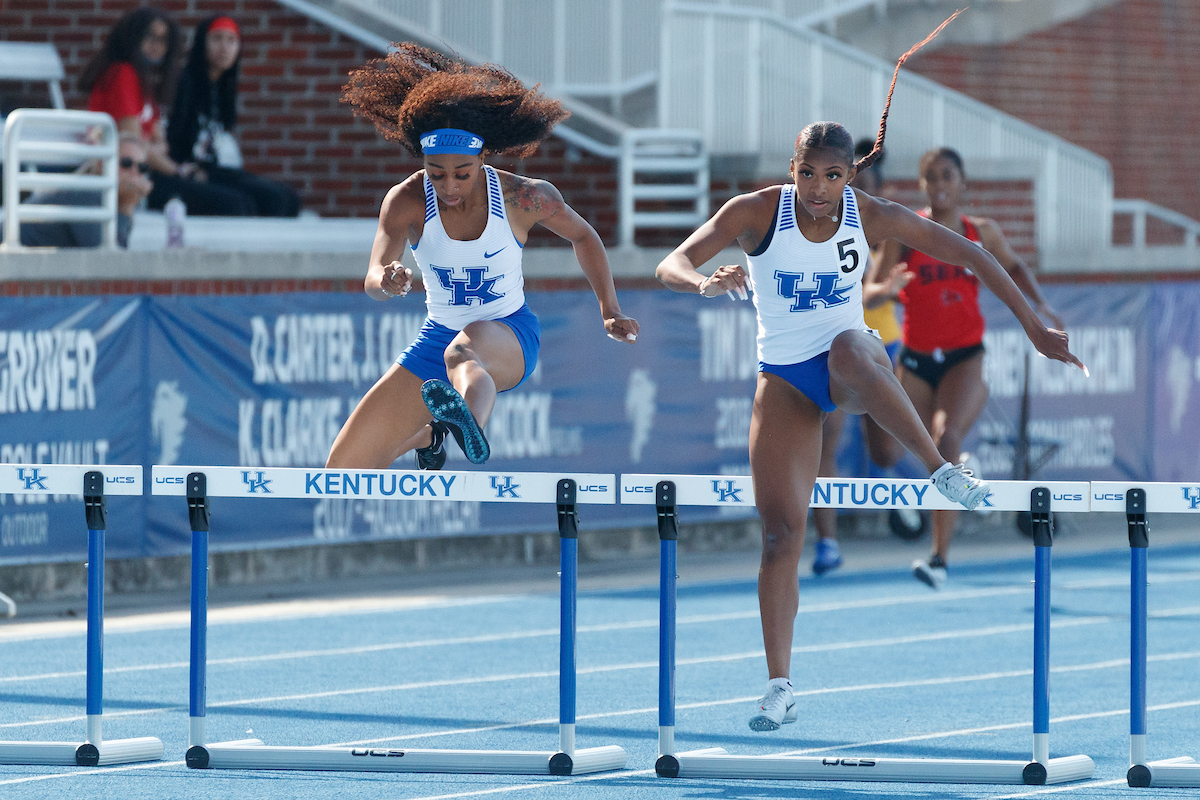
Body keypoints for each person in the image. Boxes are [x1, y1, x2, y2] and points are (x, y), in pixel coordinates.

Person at [654, 14, 1085, 732]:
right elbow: (673, 260)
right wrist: (702, 283)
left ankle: (940, 469)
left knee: (853, 347)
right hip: (785, 381)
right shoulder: (758, 212)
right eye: (807, 173)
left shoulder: (874, 215)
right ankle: (779, 686)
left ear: (850, 174)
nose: (818, 189)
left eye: (832, 175)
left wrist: (1035, 323)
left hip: (853, 365)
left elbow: (977, 254)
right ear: (790, 169)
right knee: (779, 536)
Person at [325, 44, 638, 470]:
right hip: (437, 337)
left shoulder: (523, 197)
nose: (450, 188)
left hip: (508, 335)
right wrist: (387, 279)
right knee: (342, 470)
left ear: (482, 157)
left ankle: (465, 426)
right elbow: (373, 275)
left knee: (463, 356)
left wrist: (610, 309)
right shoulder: (406, 200)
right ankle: (432, 434)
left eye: (462, 174)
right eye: (437, 174)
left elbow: (584, 236)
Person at [866, 146, 1064, 590]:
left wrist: (1042, 305)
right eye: (931, 177)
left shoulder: (981, 233)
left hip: (964, 358)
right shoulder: (906, 231)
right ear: (922, 185)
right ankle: (957, 467)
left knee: (945, 437)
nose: (940, 186)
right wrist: (886, 288)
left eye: (948, 177)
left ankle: (939, 558)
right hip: (915, 361)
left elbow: (1013, 266)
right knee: (886, 454)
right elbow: (869, 292)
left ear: (963, 183)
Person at [809, 138, 906, 576]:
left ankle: (910, 493)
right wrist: (877, 290)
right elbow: (849, 284)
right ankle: (827, 543)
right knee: (826, 441)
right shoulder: (818, 222)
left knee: (884, 451)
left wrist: (881, 290)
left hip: (881, 341)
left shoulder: (881, 221)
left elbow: (877, 279)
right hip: (834, 342)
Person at [81, 7, 255, 216]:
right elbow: (134, 144)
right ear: (131, 37)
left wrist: (152, 149)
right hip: (129, 176)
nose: (157, 46)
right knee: (233, 205)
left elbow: (160, 142)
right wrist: (176, 169)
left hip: (150, 171)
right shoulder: (122, 73)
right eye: (150, 37)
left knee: (243, 201)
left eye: (163, 40)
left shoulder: (141, 81)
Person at [167, 15, 301, 217]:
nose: (224, 47)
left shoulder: (224, 86)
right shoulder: (185, 82)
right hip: (186, 170)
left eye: (231, 40)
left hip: (216, 169)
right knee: (247, 203)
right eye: (217, 38)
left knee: (287, 198)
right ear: (202, 43)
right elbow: (173, 136)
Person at [16, 133, 152, 248]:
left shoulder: (96, 194)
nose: (134, 172)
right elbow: (109, 263)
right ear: (101, 165)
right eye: (126, 164)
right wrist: (126, 208)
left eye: (142, 167)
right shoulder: (86, 193)